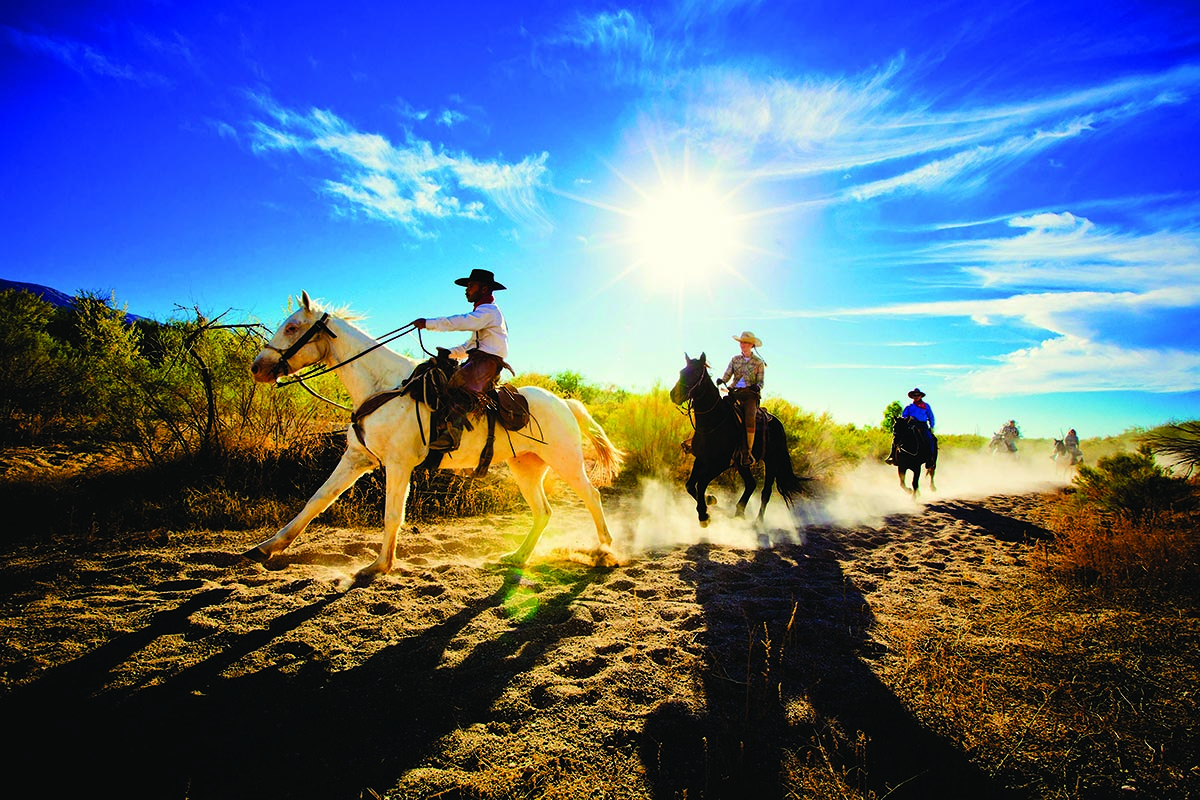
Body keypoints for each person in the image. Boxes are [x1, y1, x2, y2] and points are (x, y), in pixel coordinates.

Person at [411, 268, 509, 452]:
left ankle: (452, 435)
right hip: (478, 360)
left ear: (484, 289)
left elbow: (462, 322)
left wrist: (429, 323)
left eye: (471, 286)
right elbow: (468, 347)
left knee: (459, 386)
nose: (467, 290)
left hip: (488, 362)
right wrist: (448, 353)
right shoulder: (482, 313)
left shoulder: (489, 311)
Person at [718, 331, 765, 465]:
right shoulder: (735, 359)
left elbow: (761, 382)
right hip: (734, 392)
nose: (742, 344)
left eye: (745, 342)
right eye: (741, 342)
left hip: (750, 395)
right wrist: (722, 380)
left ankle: (747, 452)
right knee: (720, 410)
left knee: (750, 417)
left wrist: (757, 387)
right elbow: (727, 375)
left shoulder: (758, 362)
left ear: (751, 345)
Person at [887, 388, 937, 464]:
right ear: (912, 397)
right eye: (915, 395)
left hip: (922, 425)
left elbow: (931, 416)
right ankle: (893, 456)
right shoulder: (909, 407)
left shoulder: (926, 406)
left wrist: (932, 426)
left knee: (930, 439)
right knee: (897, 437)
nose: (916, 396)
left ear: (921, 396)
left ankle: (930, 457)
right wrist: (908, 418)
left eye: (918, 395)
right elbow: (904, 416)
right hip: (911, 424)